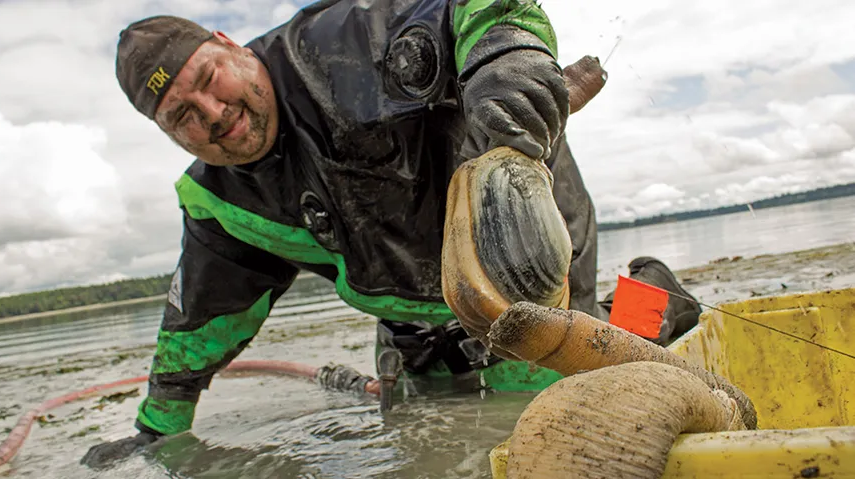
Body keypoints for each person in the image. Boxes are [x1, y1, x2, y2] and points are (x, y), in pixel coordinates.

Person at [80, 0, 702, 469]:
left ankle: (656, 299)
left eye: (208, 78)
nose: (213, 113)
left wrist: (504, 54)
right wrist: (157, 432)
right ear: (167, 134)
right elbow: (199, 324)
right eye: (182, 115)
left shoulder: (349, 39)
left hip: (517, 238)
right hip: (412, 320)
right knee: (427, 434)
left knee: (546, 419)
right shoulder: (221, 205)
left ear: (229, 43)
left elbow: (475, 4)